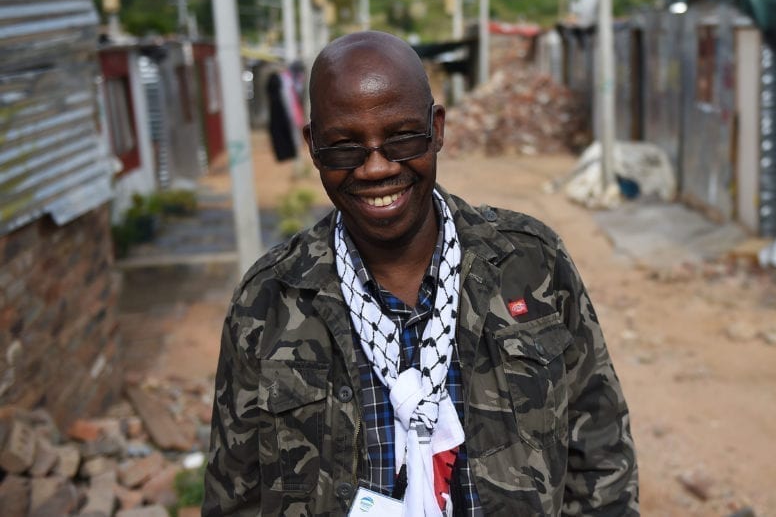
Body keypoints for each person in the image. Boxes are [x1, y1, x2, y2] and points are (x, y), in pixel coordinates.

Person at [203, 30, 638, 516]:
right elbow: (235, 495)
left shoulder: (530, 265)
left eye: (401, 138)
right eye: (344, 147)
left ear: (437, 129)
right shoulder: (268, 300)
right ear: (312, 146)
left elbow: (601, 452)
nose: (374, 168)